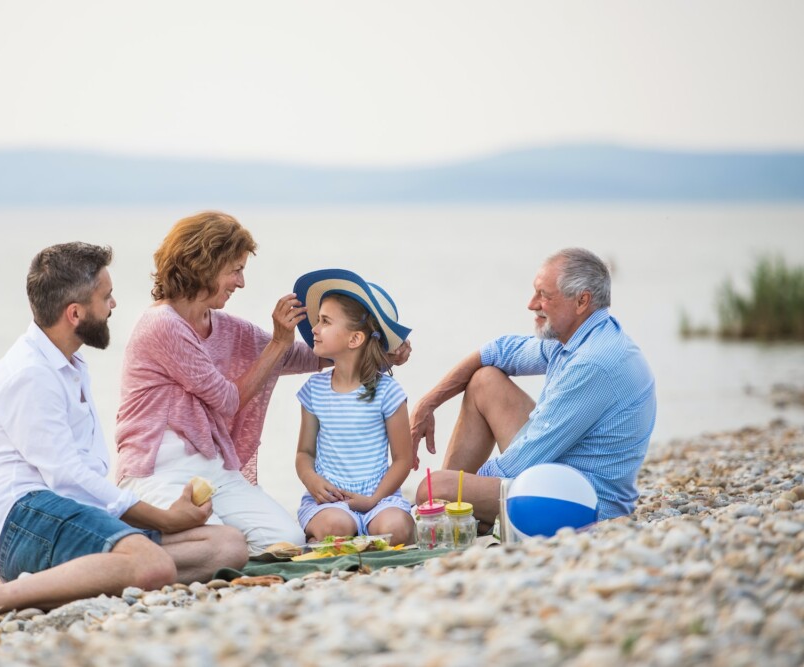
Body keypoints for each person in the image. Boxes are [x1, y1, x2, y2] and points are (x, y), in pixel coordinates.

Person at [0, 242, 247, 631]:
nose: (113, 305)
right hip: (27, 521)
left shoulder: (70, 363)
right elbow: (66, 478)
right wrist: (163, 520)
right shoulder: (29, 373)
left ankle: (74, 580)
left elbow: (83, 484)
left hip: (77, 517)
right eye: (106, 296)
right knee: (152, 564)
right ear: (75, 313)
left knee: (227, 546)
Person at [114, 212, 412, 554]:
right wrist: (277, 343)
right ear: (204, 265)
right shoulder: (161, 324)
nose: (240, 282)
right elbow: (227, 400)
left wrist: (382, 351)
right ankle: (132, 536)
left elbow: (306, 356)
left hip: (213, 469)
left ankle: (191, 541)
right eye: (235, 269)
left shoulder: (226, 327)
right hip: (157, 469)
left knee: (288, 541)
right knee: (222, 545)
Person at [411, 248, 655, 531]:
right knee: (484, 381)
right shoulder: (578, 337)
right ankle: (449, 519)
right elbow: (498, 351)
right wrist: (429, 402)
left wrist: (458, 488)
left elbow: (519, 465)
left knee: (432, 487)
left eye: (543, 295)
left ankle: (447, 516)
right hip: (559, 473)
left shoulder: (593, 364)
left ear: (582, 301)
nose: (531, 304)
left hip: (583, 502)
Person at [292, 269, 415, 547]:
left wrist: (374, 499)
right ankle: (340, 535)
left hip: (379, 497)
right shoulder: (314, 390)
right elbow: (304, 452)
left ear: (355, 339)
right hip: (331, 501)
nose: (314, 329)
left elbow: (402, 459)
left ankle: (359, 536)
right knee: (337, 525)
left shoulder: (388, 392)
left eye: (325, 321)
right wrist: (311, 480)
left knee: (395, 527)